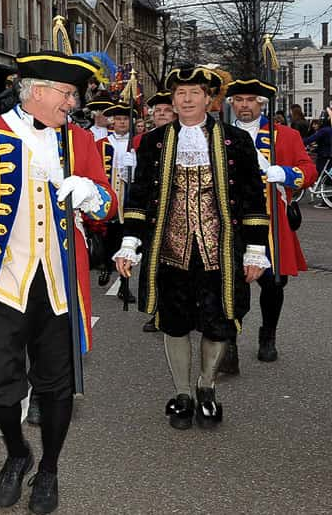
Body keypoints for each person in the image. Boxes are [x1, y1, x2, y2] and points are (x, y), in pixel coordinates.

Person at [0, 52, 116, 515]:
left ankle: (51, 470)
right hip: (3, 282)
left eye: (75, 96)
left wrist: (93, 195)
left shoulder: (80, 142)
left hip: (59, 284)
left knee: (57, 386)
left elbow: (106, 206)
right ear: (36, 90)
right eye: (67, 94)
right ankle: (18, 454)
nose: (73, 104)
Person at [114, 65, 269, 432]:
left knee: (217, 324)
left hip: (220, 250)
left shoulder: (234, 141)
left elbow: (251, 198)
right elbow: (140, 197)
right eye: (180, 93)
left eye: (194, 93)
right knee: (175, 322)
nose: (185, 99)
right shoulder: (154, 141)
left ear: (209, 98)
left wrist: (255, 250)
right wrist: (129, 243)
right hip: (170, 250)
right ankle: (182, 393)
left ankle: (206, 386)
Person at [225, 78, 316, 366]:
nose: (244, 105)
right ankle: (229, 342)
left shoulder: (285, 135)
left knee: (273, 284)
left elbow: (308, 170)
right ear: (232, 105)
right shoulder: (219, 135)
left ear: (261, 104)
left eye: (250, 100)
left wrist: (286, 174)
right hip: (232, 221)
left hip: (271, 221)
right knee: (230, 283)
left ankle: (268, 335)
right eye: (239, 100)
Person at [138, 91, 175, 332]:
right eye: (158, 110)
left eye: (166, 110)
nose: (161, 114)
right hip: (155, 210)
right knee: (157, 266)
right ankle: (160, 312)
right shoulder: (147, 140)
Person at [94, 103, 136, 299]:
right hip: (109, 197)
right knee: (106, 237)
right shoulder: (102, 143)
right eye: (118, 119)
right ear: (113, 121)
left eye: (125, 119)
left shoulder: (136, 143)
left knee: (126, 242)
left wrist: (134, 167)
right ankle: (104, 265)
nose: (121, 122)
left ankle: (124, 286)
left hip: (128, 199)